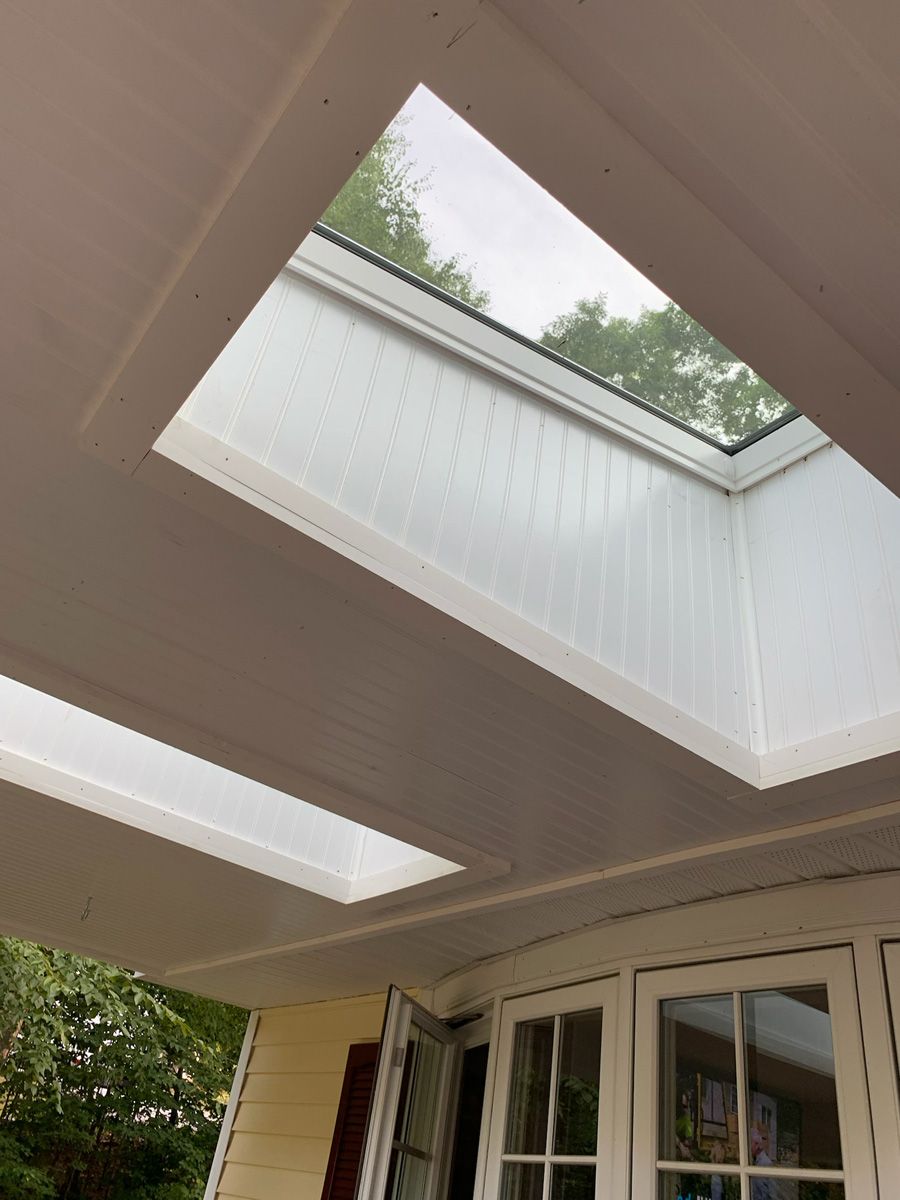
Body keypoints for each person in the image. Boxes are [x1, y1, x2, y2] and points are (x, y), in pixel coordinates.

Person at [749, 1128, 773, 1200]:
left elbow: (769, 1193)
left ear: (757, 1145)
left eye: (750, 1143)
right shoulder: (754, 1161)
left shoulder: (765, 1163)